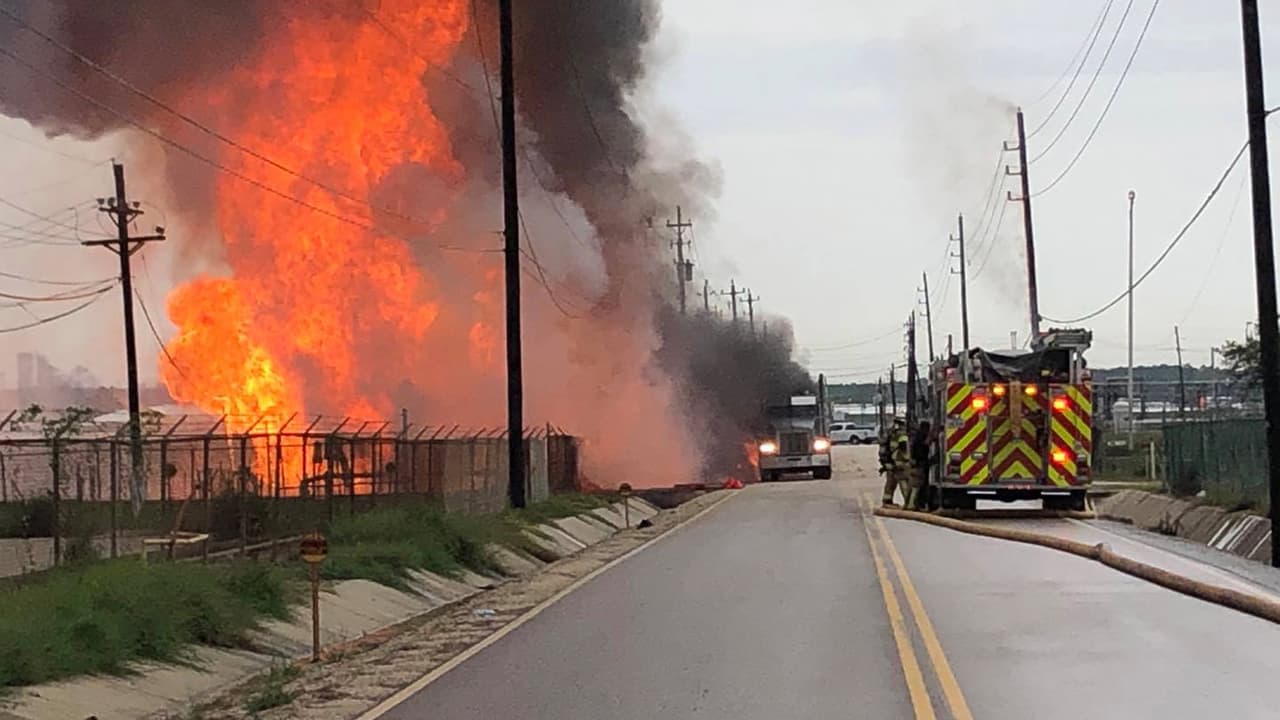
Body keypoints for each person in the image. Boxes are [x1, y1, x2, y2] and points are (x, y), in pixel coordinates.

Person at [881, 418, 909, 506]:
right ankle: (908, 502)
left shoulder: (891, 434)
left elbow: (885, 449)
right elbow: (904, 449)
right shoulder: (903, 435)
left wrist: (885, 463)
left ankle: (887, 500)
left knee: (890, 482)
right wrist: (908, 460)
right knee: (903, 482)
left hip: (891, 462)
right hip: (900, 463)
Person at [908, 420, 933, 510]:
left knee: (917, 486)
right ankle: (916, 504)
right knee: (919, 486)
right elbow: (924, 447)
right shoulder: (920, 437)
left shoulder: (917, 436)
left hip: (918, 464)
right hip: (920, 464)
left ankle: (915, 504)